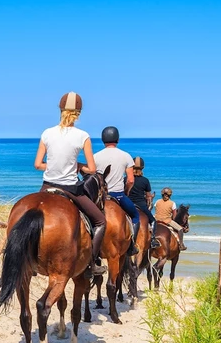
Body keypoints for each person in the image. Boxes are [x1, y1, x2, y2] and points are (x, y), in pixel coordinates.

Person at [34, 91, 106, 275]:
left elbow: (37, 165)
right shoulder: (82, 136)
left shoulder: (47, 133)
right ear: (79, 113)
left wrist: (55, 165)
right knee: (100, 221)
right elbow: (91, 169)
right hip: (70, 189)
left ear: (60, 110)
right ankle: (92, 264)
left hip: (46, 185)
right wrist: (77, 166)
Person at [94, 126, 138, 255]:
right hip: (117, 195)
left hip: (99, 197)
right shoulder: (125, 156)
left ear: (103, 139)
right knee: (135, 216)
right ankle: (132, 246)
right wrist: (127, 191)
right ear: (117, 139)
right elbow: (130, 180)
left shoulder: (95, 156)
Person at [128, 156, 161, 249]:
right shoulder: (145, 180)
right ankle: (153, 240)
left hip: (129, 204)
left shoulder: (126, 179)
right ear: (142, 168)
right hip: (141, 205)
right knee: (153, 220)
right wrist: (150, 197)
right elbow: (148, 196)